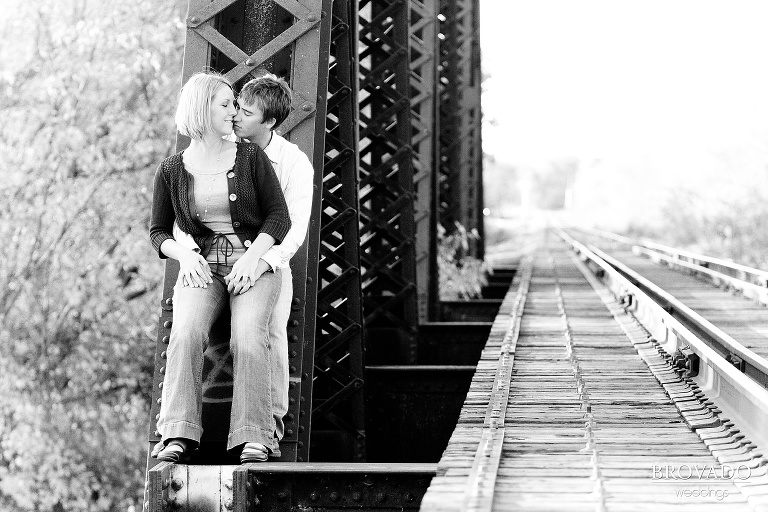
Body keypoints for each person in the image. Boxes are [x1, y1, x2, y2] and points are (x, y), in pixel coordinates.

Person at [149, 71, 291, 464]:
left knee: (247, 337)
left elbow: (279, 217)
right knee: (185, 334)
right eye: (226, 104)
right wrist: (185, 255)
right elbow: (158, 232)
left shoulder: (250, 157)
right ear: (202, 109)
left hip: (254, 267)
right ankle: (177, 434)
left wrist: (252, 259)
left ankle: (255, 437)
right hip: (202, 269)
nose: (234, 112)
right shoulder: (172, 169)